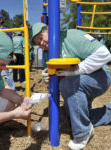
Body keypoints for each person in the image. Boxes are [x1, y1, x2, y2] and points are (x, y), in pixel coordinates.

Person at [30, 22, 111, 150]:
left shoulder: (71, 36)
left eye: (41, 38)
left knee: (69, 85)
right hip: (78, 81)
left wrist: (74, 71)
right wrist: (47, 77)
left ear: (49, 30)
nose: (41, 44)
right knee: (75, 115)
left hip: (100, 76)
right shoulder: (47, 52)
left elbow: (104, 54)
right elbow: (55, 75)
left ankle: (82, 133)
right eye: (37, 43)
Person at [0, 12, 16, 91]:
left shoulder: (5, 29)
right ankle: (4, 89)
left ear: (1, 20)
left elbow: (10, 41)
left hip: (4, 54)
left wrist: (13, 54)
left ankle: (13, 90)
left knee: (5, 73)